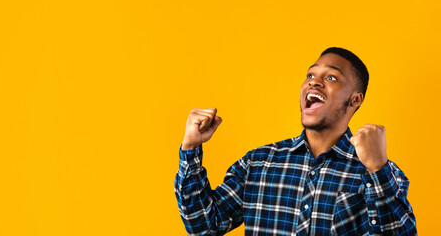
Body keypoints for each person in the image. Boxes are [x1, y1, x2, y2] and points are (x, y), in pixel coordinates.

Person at [174, 47, 417, 235]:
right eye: (310, 74)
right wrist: (190, 148)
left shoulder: (383, 175)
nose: (314, 81)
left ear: (355, 100)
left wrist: (377, 169)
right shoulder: (258, 164)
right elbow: (204, 227)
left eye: (331, 78)